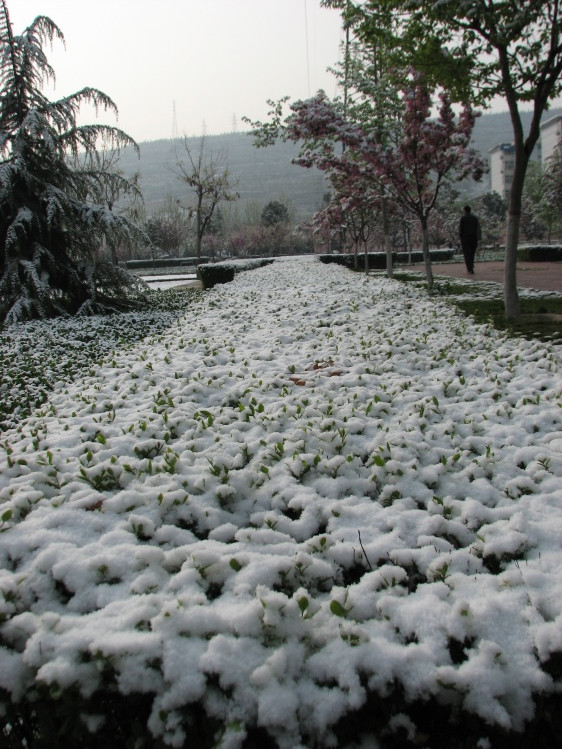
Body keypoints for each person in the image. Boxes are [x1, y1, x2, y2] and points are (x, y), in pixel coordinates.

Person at [459, 205, 481, 274]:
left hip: (465, 239)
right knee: (472, 253)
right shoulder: (475, 218)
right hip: (473, 238)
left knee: (467, 254)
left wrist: (461, 237)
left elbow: (461, 229)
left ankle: (469, 268)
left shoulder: (463, 218)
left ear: (465, 210)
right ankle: (471, 266)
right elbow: (478, 228)